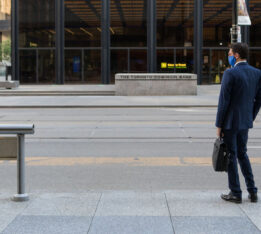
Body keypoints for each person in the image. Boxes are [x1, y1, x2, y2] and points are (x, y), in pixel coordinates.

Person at [216, 43, 261, 203]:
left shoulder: (230, 73)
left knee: (231, 156)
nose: (228, 55)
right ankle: (253, 191)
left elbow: (223, 103)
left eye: (229, 53)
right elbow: (258, 100)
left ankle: (235, 192)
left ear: (235, 55)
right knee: (242, 154)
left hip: (230, 123)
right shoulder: (257, 73)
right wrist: (250, 116)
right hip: (245, 122)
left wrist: (218, 125)